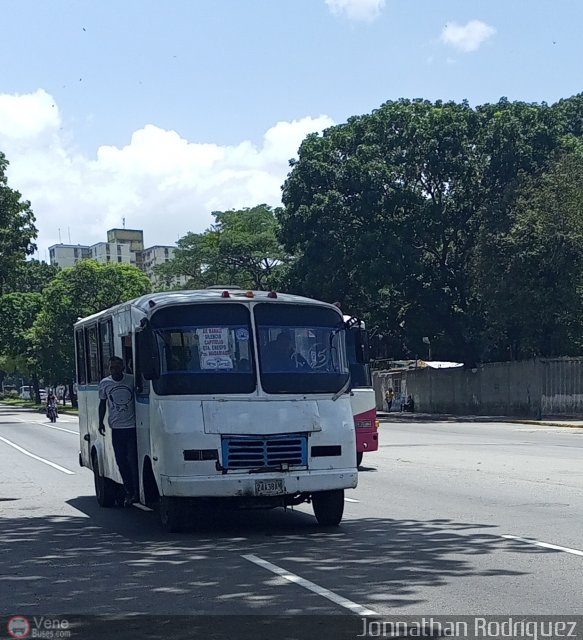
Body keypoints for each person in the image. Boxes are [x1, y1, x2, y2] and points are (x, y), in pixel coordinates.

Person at [98, 355, 139, 508]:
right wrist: (100, 421)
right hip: (117, 428)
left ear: (123, 367)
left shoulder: (131, 380)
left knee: (132, 459)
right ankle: (128, 490)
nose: (114, 370)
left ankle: (135, 491)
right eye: (111, 368)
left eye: (116, 367)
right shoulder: (105, 383)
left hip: (132, 427)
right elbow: (102, 404)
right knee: (121, 461)